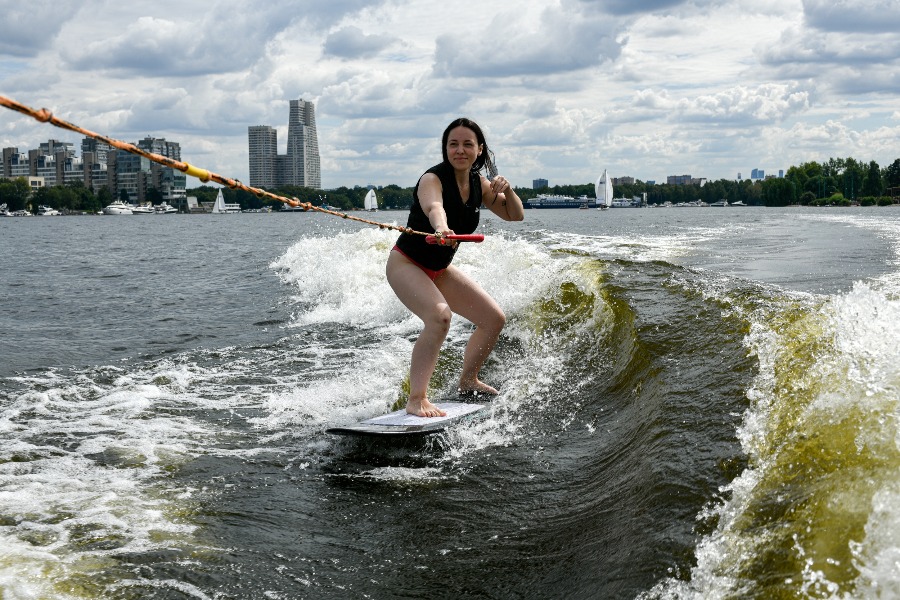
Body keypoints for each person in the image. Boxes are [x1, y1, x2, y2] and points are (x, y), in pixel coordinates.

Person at [387, 117, 525, 417]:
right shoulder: (432, 179)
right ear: (445, 149)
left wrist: (509, 191)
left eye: (467, 144)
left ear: (479, 150)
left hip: (439, 270)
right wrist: (442, 227)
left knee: (493, 319)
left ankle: (468, 381)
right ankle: (416, 398)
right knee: (439, 317)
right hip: (407, 263)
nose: (459, 150)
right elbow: (434, 207)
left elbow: (515, 216)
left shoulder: (481, 184)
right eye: (453, 144)